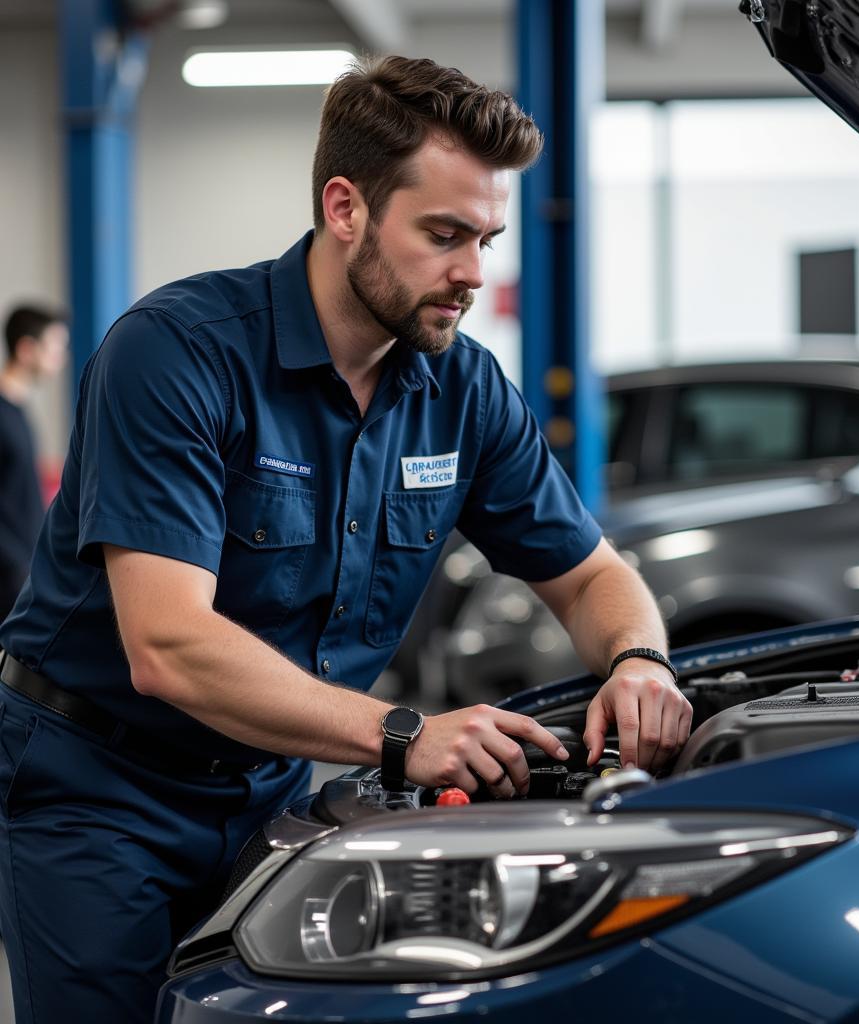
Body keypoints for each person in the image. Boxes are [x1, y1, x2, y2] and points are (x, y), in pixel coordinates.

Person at [0, 55, 691, 1023]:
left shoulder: (462, 389)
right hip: (99, 793)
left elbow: (589, 577)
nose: (470, 274)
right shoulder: (176, 354)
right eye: (443, 235)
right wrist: (404, 734)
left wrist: (638, 661)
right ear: (345, 207)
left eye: (485, 238)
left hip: (274, 785)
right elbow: (167, 646)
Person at [0, 305, 68, 621]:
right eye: (55, 347)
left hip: (23, 575)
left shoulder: (19, 409)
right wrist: (16, 565)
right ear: (27, 349)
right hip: (8, 579)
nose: (62, 357)